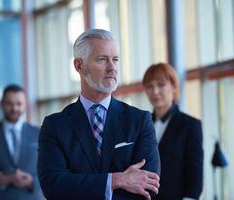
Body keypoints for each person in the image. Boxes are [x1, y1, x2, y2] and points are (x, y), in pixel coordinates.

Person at [37, 29, 160, 200]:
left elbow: (149, 187)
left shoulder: (139, 120)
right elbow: (54, 186)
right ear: (79, 65)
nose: (112, 68)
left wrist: (82, 185)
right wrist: (115, 180)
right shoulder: (55, 126)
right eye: (102, 59)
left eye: (115, 59)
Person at [142, 63, 203, 200]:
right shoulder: (142, 124)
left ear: (174, 87)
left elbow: (195, 177)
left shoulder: (190, 125)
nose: (155, 91)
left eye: (161, 85)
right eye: (150, 86)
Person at [0, 84, 42, 200]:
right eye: (10, 103)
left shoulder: (38, 134)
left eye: (19, 104)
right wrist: (3, 179)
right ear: (2, 104)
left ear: (25, 106)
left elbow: (50, 172)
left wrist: (32, 181)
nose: (14, 108)